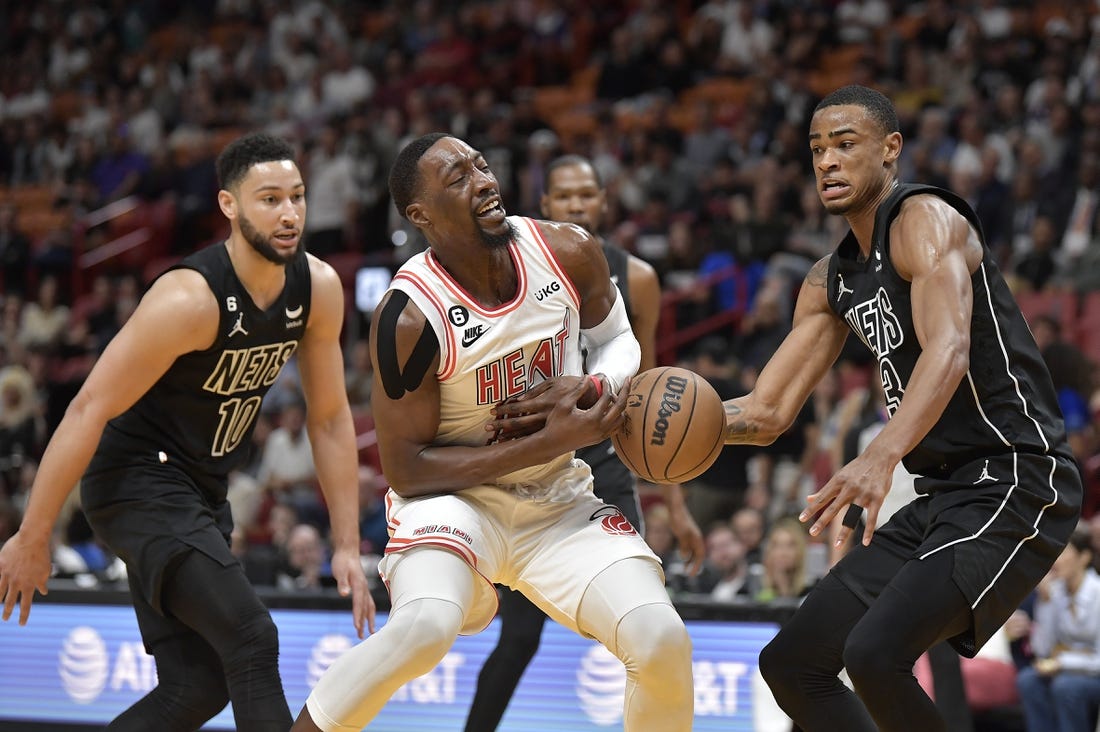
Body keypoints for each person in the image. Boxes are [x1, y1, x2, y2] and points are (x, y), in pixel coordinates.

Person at [292, 133, 694, 732]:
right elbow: (406, 468)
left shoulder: (568, 250)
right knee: (424, 628)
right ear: (420, 214)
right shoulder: (409, 316)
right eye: (458, 178)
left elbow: (618, 339)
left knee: (662, 639)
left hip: (558, 499)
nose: (483, 181)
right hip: (452, 505)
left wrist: (592, 387)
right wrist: (544, 441)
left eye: (482, 166)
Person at [720, 85, 1081, 731]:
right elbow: (768, 412)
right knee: (793, 663)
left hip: (1016, 474)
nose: (826, 160)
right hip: (941, 495)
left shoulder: (925, 220)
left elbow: (950, 350)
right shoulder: (828, 279)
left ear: (891, 151)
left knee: (873, 652)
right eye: (816, 149)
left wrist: (878, 456)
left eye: (845, 144)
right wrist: (630, 424)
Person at [0, 132, 375, 731]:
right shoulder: (188, 298)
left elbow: (329, 420)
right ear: (229, 205)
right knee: (252, 637)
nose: (289, 214)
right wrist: (33, 533)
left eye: (298, 197)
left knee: (196, 688)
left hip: (200, 488)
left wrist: (347, 546)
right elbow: (86, 408)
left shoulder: (318, 287)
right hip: (133, 479)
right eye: (269, 199)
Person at [464, 154, 705, 732]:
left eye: (586, 195)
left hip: (607, 465)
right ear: (546, 207)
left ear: (602, 202)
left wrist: (675, 502)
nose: (576, 205)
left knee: (640, 626)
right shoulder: (517, 264)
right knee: (518, 637)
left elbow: (653, 391)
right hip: (539, 465)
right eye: (564, 197)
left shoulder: (637, 276)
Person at [1016, 526, 1100, 732]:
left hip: (1092, 675)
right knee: (1028, 680)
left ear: (1084, 557)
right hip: (1067, 673)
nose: (1055, 560)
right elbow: (1043, 651)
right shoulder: (1055, 592)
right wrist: (1045, 602)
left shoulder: (1097, 593)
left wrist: (1063, 661)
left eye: (1063, 552)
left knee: (1065, 687)